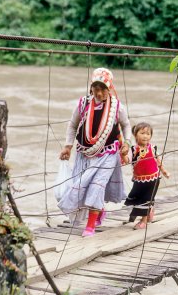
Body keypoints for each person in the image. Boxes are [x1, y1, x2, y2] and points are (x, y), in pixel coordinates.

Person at [58, 67, 131, 237]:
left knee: (96, 187)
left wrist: (126, 143)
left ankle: (90, 225)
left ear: (109, 88)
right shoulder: (83, 104)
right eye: (95, 89)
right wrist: (68, 146)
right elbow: (73, 125)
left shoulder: (117, 107)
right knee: (80, 185)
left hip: (108, 154)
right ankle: (99, 210)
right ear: (91, 88)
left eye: (103, 89)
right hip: (84, 153)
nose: (99, 93)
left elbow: (126, 125)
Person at [122, 122, 170, 230]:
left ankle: (143, 221)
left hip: (154, 178)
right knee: (138, 198)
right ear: (135, 135)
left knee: (146, 199)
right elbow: (127, 161)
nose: (145, 136)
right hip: (139, 180)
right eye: (142, 133)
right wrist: (124, 155)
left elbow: (158, 160)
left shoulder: (152, 148)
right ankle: (150, 211)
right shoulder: (133, 150)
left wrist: (164, 170)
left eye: (148, 134)